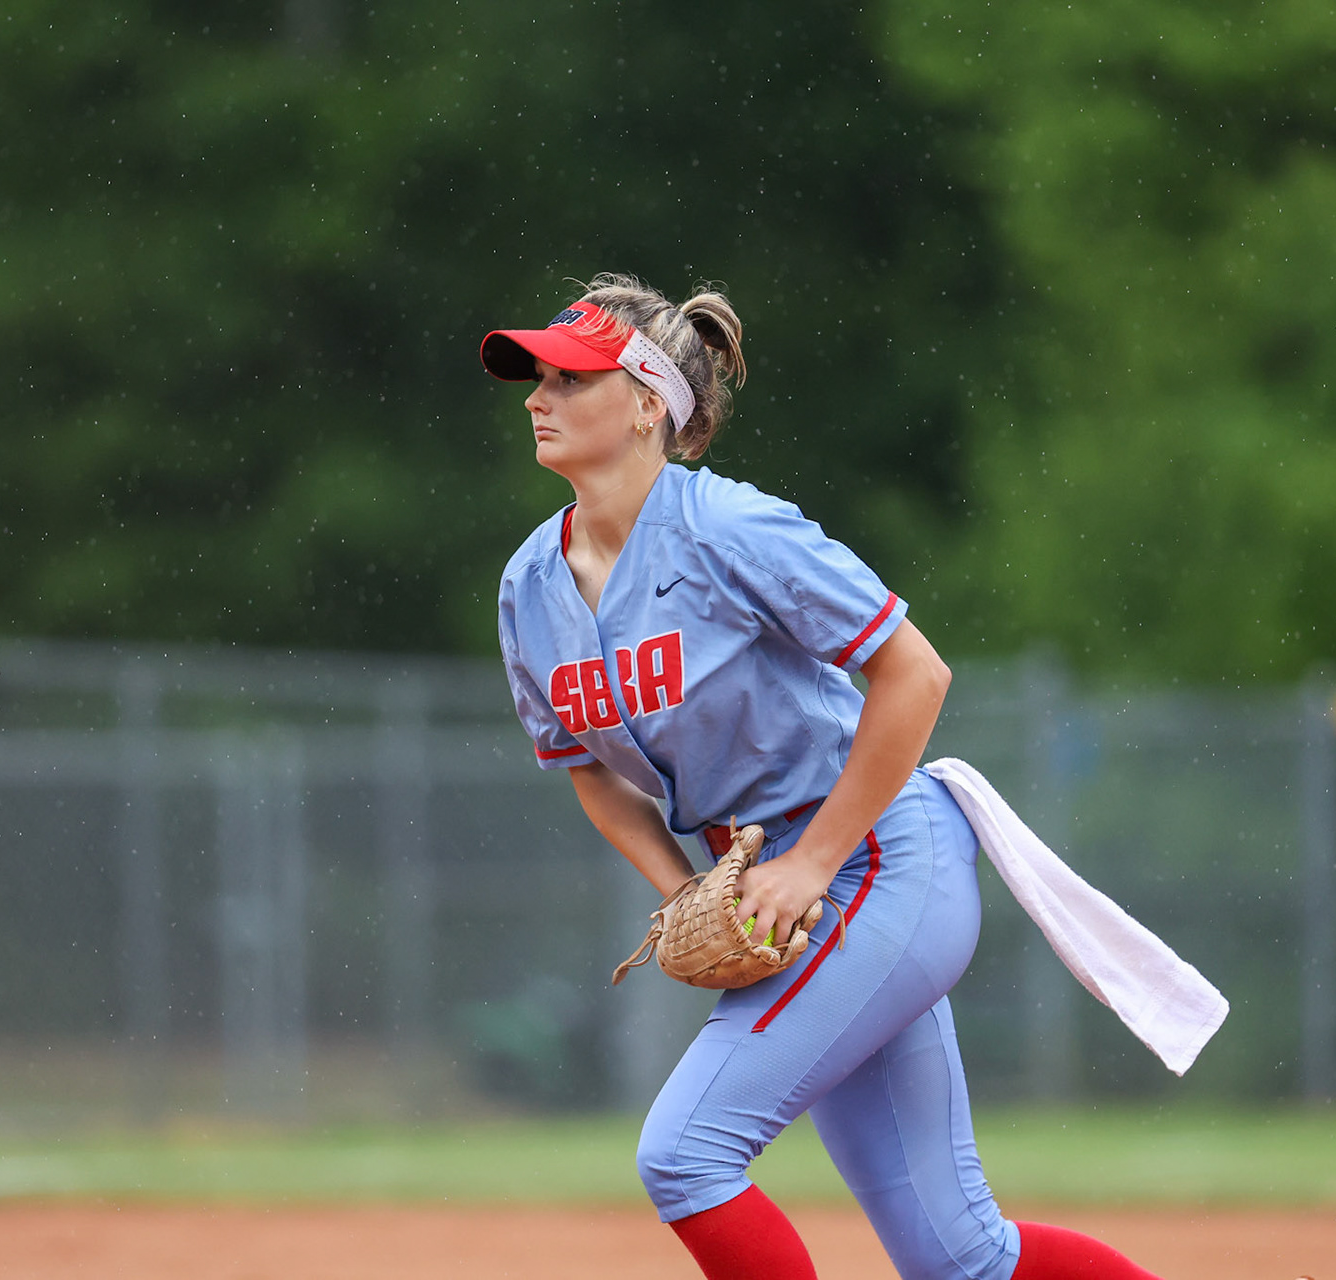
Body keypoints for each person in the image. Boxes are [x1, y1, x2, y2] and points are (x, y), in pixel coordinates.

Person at [486, 273, 1172, 1280]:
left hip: (879, 856)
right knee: (959, 1256)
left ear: (645, 402)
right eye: (535, 376)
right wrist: (682, 890)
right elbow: (588, 770)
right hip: (779, 892)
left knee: (685, 1153)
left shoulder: (727, 528)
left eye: (569, 377)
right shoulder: (529, 586)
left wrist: (811, 860)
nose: (538, 395)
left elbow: (914, 670)